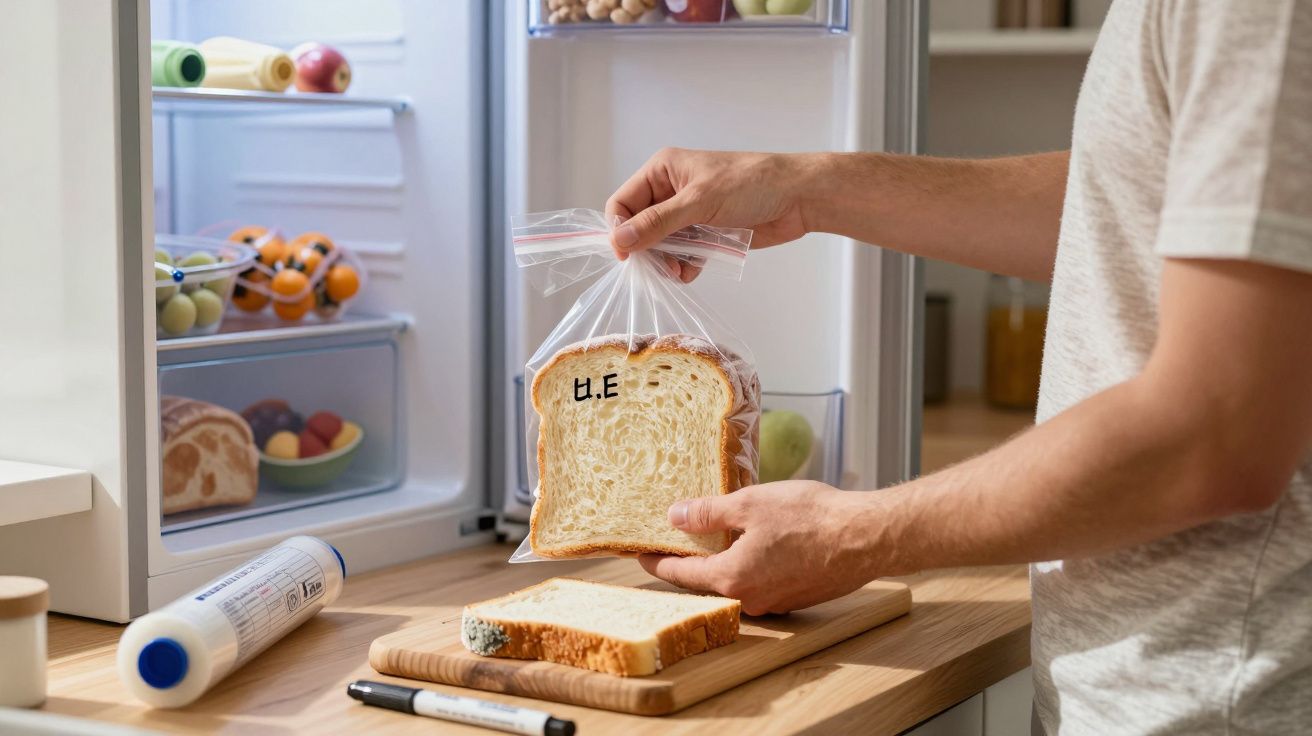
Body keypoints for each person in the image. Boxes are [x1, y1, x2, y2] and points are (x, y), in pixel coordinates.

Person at [607, 2, 1312, 734]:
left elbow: (1219, 432)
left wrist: (856, 536)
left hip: (1223, 700)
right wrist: (800, 186)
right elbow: (1133, 203)